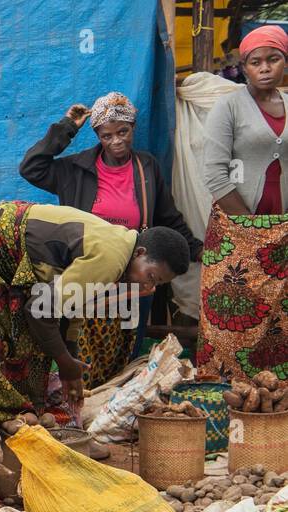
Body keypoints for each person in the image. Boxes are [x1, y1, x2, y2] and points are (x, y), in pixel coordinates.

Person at [21, 91, 202, 375]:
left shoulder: (147, 168)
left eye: (123, 131)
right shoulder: (76, 169)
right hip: (89, 273)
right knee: (81, 344)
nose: (116, 141)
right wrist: (66, 128)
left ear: (133, 128)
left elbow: (168, 217)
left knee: (125, 351)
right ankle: (83, 401)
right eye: (107, 136)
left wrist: (201, 250)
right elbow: (31, 168)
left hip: (135, 279)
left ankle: (117, 407)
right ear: (97, 136)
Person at [0, 201, 189, 419]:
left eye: (156, 284)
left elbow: (73, 307)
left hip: (1, 246)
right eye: (150, 276)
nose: (148, 286)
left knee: (36, 341)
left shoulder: (120, 249)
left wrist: (71, 358)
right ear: (140, 253)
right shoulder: (113, 258)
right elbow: (40, 310)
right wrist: (66, 364)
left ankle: (19, 415)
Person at [199, 25, 288, 383]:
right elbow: (214, 174)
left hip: (283, 231)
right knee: (231, 322)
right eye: (255, 61)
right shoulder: (230, 105)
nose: (265, 67)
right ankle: (223, 390)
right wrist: (252, 229)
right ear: (244, 66)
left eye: (274, 58)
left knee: (278, 318)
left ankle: (274, 395)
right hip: (236, 228)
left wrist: (277, 229)